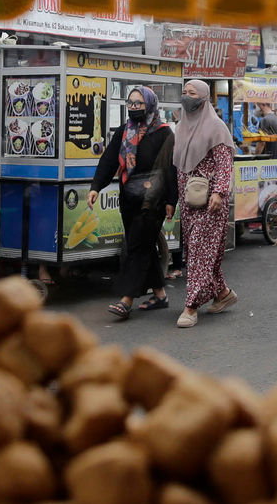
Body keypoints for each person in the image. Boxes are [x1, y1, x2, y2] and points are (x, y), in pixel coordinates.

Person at [89, 87, 178, 319]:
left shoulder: (164, 133)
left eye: (139, 103)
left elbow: (170, 169)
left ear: (149, 105)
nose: (134, 107)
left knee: (137, 247)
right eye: (131, 103)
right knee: (144, 245)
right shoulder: (125, 131)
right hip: (128, 198)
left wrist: (171, 200)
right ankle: (160, 294)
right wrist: (95, 187)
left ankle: (126, 299)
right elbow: (109, 159)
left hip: (153, 201)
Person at [173, 80, 236, 328]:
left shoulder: (217, 128)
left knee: (199, 251)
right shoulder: (181, 127)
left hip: (211, 202)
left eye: (193, 93)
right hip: (188, 200)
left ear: (204, 98)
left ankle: (191, 307)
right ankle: (222, 294)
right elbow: (176, 165)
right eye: (185, 92)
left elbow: (224, 165)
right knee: (198, 250)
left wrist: (219, 193)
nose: (187, 97)